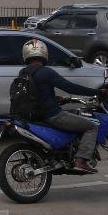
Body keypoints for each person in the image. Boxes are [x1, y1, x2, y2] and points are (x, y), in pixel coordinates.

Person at [21, 38, 102, 174]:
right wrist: (97, 91)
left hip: (34, 115)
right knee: (91, 127)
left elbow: (36, 94)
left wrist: (57, 99)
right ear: (44, 53)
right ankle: (81, 161)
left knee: (75, 118)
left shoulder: (23, 72)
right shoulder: (46, 72)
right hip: (53, 116)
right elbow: (70, 87)